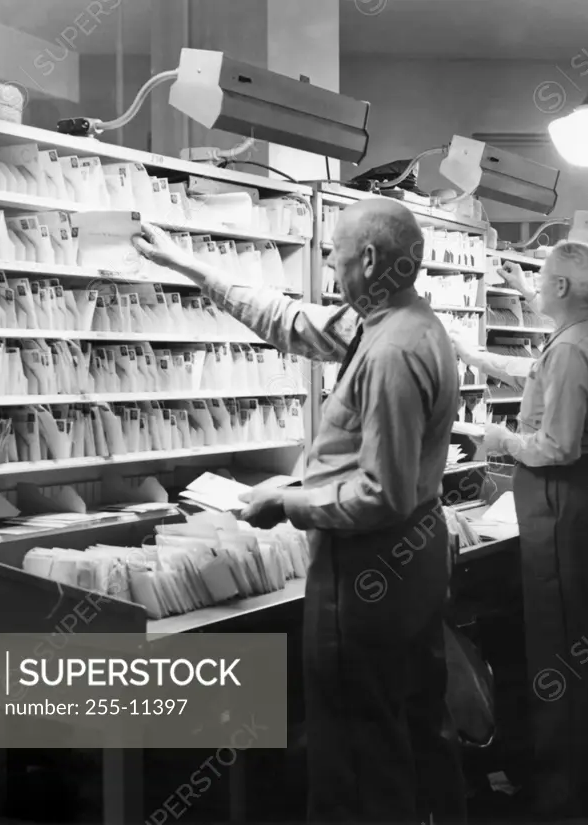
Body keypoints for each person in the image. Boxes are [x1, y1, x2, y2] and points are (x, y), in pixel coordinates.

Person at [133, 198, 466, 825]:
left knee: (356, 748)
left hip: (370, 569)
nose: (331, 265)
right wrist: (187, 264)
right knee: (414, 727)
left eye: (334, 254)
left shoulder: (393, 350)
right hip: (409, 560)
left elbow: (382, 493)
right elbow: (291, 320)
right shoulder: (394, 322)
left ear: (367, 259)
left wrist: (287, 501)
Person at [452, 242, 588, 819]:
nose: (537, 290)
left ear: (557, 290)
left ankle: (562, 793)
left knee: (559, 646)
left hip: (563, 501)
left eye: (541, 282)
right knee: (585, 647)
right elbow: (540, 371)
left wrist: (499, 440)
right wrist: (471, 350)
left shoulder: (572, 350)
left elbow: (557, 446)